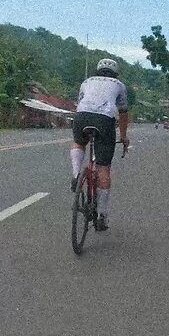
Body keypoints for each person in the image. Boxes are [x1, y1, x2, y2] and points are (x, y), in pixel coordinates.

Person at [70, 58, 129, 231]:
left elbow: (80, 102)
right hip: (104, 120)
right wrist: (124, 137)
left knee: (78, 143)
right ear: (115, 73)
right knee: (103, 167)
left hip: (81, 116)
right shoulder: (119, 85)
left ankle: (75, 175)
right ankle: (102, 215)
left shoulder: (86, 82)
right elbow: (123, 113)